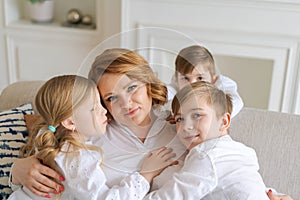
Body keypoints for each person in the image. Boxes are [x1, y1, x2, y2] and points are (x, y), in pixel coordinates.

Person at [9, 49, 292, 200]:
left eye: (132, 87)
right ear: (101, 104)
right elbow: (53, 140)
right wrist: (16, 170)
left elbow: (221, 160)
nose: (126, 104)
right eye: (111, 98)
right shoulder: (92, 135)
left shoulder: (181, 123)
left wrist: (270, 194)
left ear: (147, 83)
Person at [8, 75, 175, 200]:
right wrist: (146, 174)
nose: (105, 111)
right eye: (95, 108)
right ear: (69, 122)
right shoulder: (76, 158)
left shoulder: (52, 136)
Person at [145, 81, 270, 199]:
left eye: (197, 115)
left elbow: (174, 196)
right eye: (180, 119)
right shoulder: (241, 151)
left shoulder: (205, 155)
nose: (186, 126)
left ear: (224, 121)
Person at [167, 45, 244, 118]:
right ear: (176, 78)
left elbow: (236, 102)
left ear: (213, 79)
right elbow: (166, 94)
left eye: (200, 78)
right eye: (186, 78)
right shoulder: (177, 85)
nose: (192, 84)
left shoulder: (221, 84)